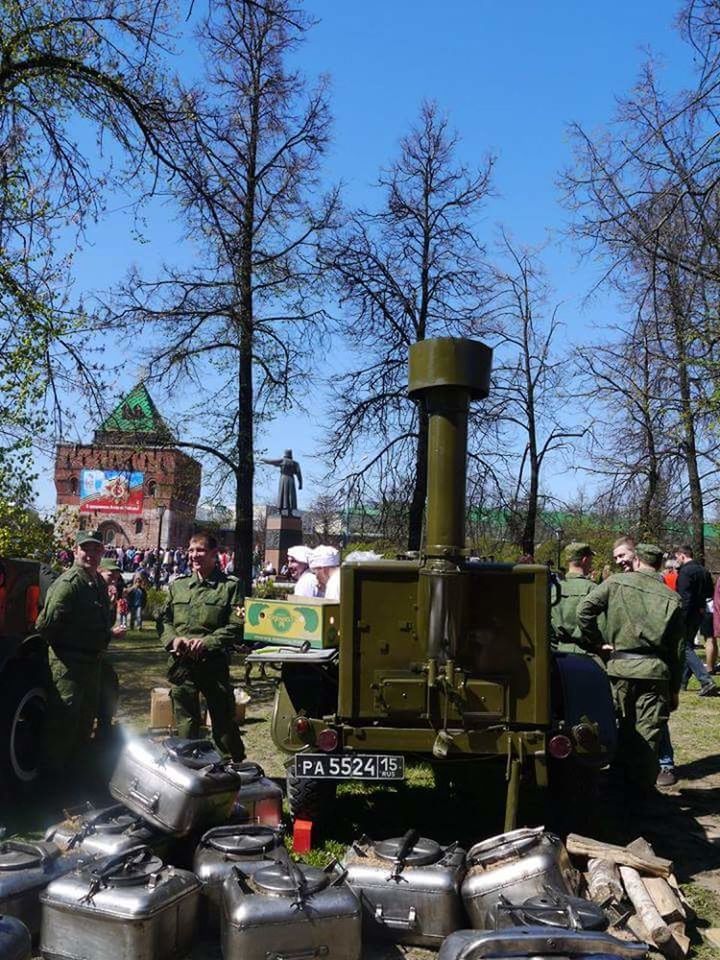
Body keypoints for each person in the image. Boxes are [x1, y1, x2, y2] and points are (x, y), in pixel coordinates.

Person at [577, 543, 685, 798]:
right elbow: (678, 651)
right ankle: (639, 795)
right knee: (649, 735)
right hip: (654, 673)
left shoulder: (615, 583)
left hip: (619, 668)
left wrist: (597, 642)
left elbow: (585, 611)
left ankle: (615, 787)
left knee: (620, 728)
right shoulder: (672, 598)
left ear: (637, 560)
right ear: (659, 565)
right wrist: (674, 689)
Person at [36, 530, 125, 772]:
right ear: (76, 551)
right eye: (86, 549)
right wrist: (70, 647)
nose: (92, 555)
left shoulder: (95, 583)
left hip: (92, 665)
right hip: (70, 665)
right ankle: (52, 781)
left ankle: (74, 776)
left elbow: (97, 623)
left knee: (85, 722)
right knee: (62, 725)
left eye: (97, 550)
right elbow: (45, 627)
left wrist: (105, 636)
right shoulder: (68, 584)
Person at [159, 531, 245, 759]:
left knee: (223, 722)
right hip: (181, 666)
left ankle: (231, 769)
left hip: (213, 665)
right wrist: (173, 640)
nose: (194, 555)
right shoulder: (179, 586)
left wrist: (207, 642)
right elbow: (164, 620)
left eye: (200, 550)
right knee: (186, 722)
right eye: (191, 550)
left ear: (214, 554)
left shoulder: (230, 586)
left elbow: (237, 626)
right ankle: (189, 766)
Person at [674, 545, 718, 697]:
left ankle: (706, 680)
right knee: (688, 646)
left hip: (687, 613)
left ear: (682, 555)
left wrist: (680, 616)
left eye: (676, 557)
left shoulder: (685, 572)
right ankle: (682, 683)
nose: (676, 560)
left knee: (683, 647)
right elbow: (709, 593)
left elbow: (684, 597)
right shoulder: (703, 570)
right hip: (700, 612)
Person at [551, 542, 602, 655]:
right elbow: (602, 626)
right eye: (590, 559)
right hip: (589, 654)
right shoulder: (593, 589)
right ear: (584, 560)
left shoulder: (554, 589)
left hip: (560, 653)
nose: (591, 562)